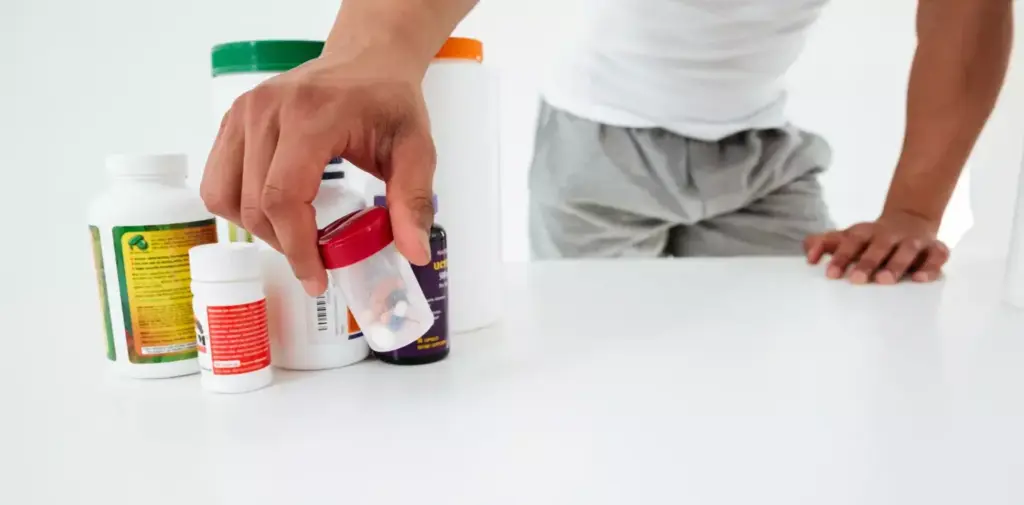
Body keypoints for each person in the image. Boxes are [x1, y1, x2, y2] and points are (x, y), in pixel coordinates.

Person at [201, 0, 1012, 297]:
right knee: (604, 370)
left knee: (789, 356)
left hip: (763, 158)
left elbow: (963, 11)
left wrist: (913, 208)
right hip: (596, 151)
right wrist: (369, 50)